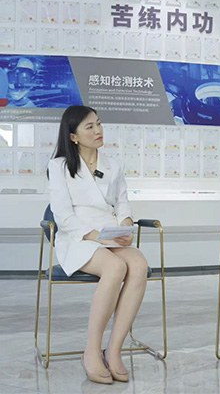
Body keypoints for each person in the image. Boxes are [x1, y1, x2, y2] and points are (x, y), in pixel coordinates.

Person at [47, 105, 148, 385]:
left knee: (139, 264)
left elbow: (123, 202)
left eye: (99, 124)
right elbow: (62, 215)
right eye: (89, 127)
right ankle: (91, 351)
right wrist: (95, 236)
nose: (98, 130)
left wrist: (125, 224)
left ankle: (113, 351)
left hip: (109, 233)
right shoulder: (59, 167)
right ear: (73, 136)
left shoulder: (113, 164)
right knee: (115, 267)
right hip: (78, 237)